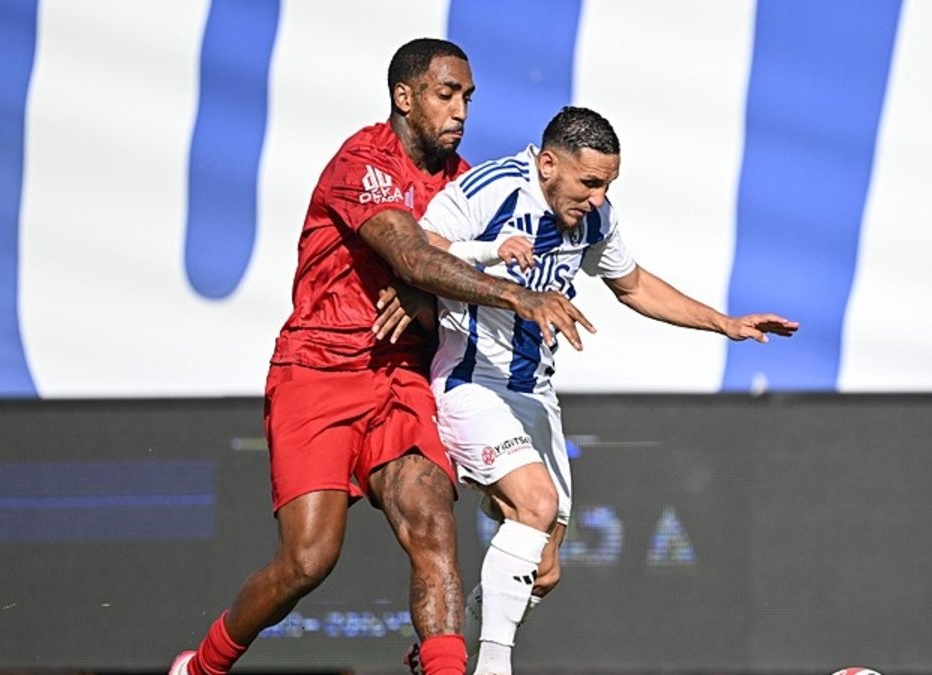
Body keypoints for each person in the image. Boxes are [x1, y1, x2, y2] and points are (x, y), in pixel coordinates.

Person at [168, 40, 593, 675]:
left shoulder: (465, 184)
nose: (460, 112)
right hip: (320, 366)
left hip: (401, 376)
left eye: (468, 98)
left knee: (431, 520)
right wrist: (501, 290)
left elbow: (443, 283)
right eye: (446, 95)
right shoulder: (363, 161)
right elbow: (416, 256)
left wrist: (433, 292)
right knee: (308, 560)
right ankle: (202, 666)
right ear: (405, 97)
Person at [401, 106, 799, 675]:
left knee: (544, 570)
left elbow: (632, 284)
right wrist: (492, 253)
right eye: (589, 182)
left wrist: (724, 323)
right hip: (473, 382)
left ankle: (438, 656)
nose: (597, 197)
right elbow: (421, 250)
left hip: (534, 395)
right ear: (547, 165)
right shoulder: (494, 189)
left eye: (607, 184)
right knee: (534, 504)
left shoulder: (594, 217)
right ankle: (490, 668)